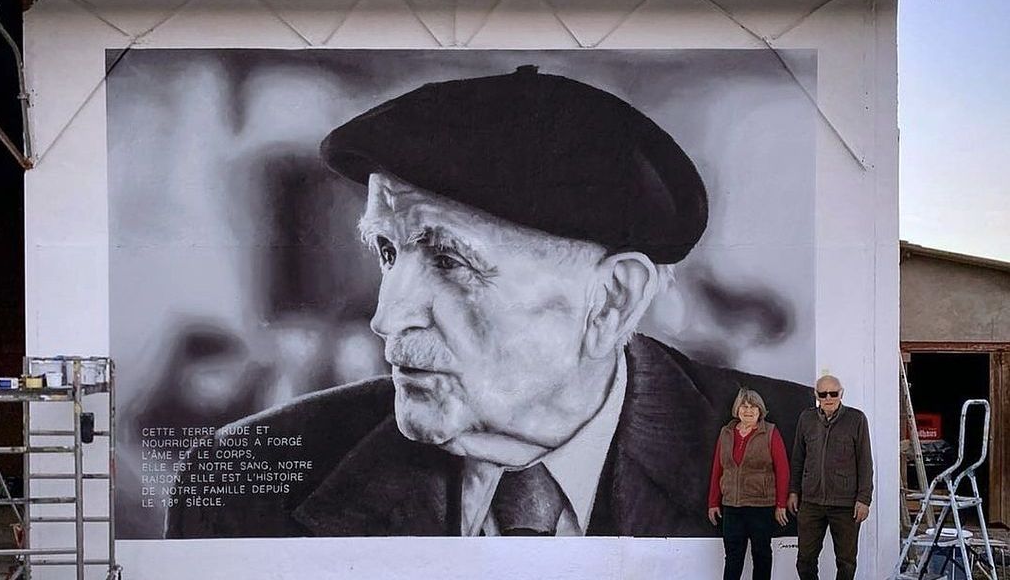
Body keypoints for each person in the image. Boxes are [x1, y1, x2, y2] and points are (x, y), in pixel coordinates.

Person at [165, 65, 813, 539]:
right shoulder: (239, 485)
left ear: (612, 300)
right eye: (388, 253)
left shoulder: (798, 447)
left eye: (450, 260)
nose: (388, 319)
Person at [787, 374, 873, 580]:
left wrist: (864, 499)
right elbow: (798, 457)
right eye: (823, 394)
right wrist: (793, 491)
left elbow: (865, 462)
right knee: (805, 561)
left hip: (845, 504)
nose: (828, 398)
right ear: (816, 395)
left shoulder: (856, 419)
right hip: (811, 502)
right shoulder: (806, 419)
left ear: (841, 393)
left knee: (846, 562)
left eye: (833, 393)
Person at [707, 387, 790, 580]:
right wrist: (713, 502)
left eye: (753, 406)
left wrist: (781, 504)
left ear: (760, 410)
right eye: (744, 406)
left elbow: (783, 471)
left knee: (761, 555)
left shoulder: (770, 432)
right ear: (737, 409)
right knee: (733, 556)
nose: (748, 410)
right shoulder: (726, 433)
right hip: (732, 506)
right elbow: (717, 469)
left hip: (760, 506)